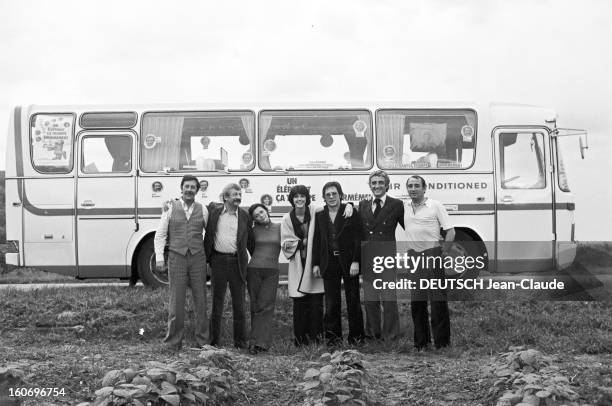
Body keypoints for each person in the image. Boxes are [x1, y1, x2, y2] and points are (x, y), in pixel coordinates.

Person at [154, 174, 209, 350]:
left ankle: (203, 342)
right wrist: (160, 257)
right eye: (187, 186)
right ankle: (173, 342)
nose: (190, 190)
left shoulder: (204, 209)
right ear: (182, 188)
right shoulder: (170, 207)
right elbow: (160, 234)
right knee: (176, 301)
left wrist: (208, 258)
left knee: (201, 300)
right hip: (176, 256)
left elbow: (210, 233)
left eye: (193, 187)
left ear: (197, 191)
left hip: (197, 258)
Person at [404, 175, 455, 350]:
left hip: (432, 255)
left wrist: (445, 252)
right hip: (414, 257)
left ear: (424, 188)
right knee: (417, 302)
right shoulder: (404, 207)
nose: (413, 188)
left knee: (437, 301)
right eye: (410, 186)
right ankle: (421, 343)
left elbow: (450, 231)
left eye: (416, 185)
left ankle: (442, 343)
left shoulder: (436, 206)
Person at [312, 182, 365, 346]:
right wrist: (316, 264)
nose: (331, 197)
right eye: (327, 194)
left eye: (334, 193)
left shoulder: (349, 211)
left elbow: (358, 238)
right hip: (329, 262)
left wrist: (356, 261)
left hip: (349, 262)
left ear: (340, 195)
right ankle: (333, 340)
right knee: (331, 303)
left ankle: (356, 339)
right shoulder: (320, 215)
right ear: (324, 197)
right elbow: (317, 240)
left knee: (353, 301)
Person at [359, 170, 404, 341]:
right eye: (374, 183)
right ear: (370, 186)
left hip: (387, 259)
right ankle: (372, 333)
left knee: (389, 298)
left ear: (387, 185)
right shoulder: (362, 205)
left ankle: (391, 335)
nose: (377, 186)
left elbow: (410, 226)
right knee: (370, 299)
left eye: (380, 183)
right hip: (368, 259)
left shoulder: (396, 204)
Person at [205, 183, 252, 348]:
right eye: (234, 194)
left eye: (240, 194)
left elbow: (251, 241)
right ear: (225, 197)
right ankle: (213, 342)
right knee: (216, 305)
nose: (238, 197)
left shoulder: (245, 215)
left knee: (239, 305)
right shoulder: (213, 212)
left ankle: (240, 343)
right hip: (217, 262)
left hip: (237, 263)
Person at [280, 185, 324, 346]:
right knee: (300, 303)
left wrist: (347, 205)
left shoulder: (315, 211)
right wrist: (304, 242)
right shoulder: (286, 219)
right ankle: (301, 340)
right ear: (291, 199)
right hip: (299, 264)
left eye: (302, 196)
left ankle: (317, 338)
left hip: (314, 263)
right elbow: (285, 243)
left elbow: (332, 206)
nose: (299, 199)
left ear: (307, 198)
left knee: (316, 301)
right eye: (296, 196)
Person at [246, 203, 281, 354]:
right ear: (254, 219)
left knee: (266, 306)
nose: (260, 215)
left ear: (266, 210)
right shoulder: (253, 231)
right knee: (255, 306)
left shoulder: (281, 227)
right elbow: (250, 247)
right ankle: (253, 342)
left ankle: (262, 343)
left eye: (261, 212)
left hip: (272, 271)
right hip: (253, 270)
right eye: (256, 216)